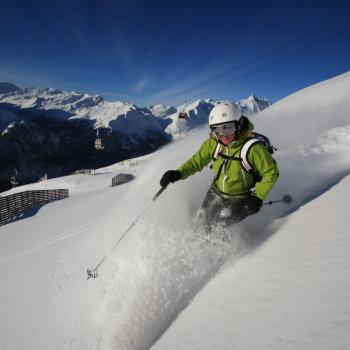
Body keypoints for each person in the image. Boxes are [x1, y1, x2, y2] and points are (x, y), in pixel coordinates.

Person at [159, 102, 279, 230]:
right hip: (215, 191)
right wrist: (178, 173)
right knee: (200, 221)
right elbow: (196, 162)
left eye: (228, 128)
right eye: (216, 130)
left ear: (238, 125)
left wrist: (258, 197)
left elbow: (271, 173)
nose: (223, 135)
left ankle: (220, 248)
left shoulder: (254, 148)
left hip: (241, 198)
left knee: (218, 228)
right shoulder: (213, 144)